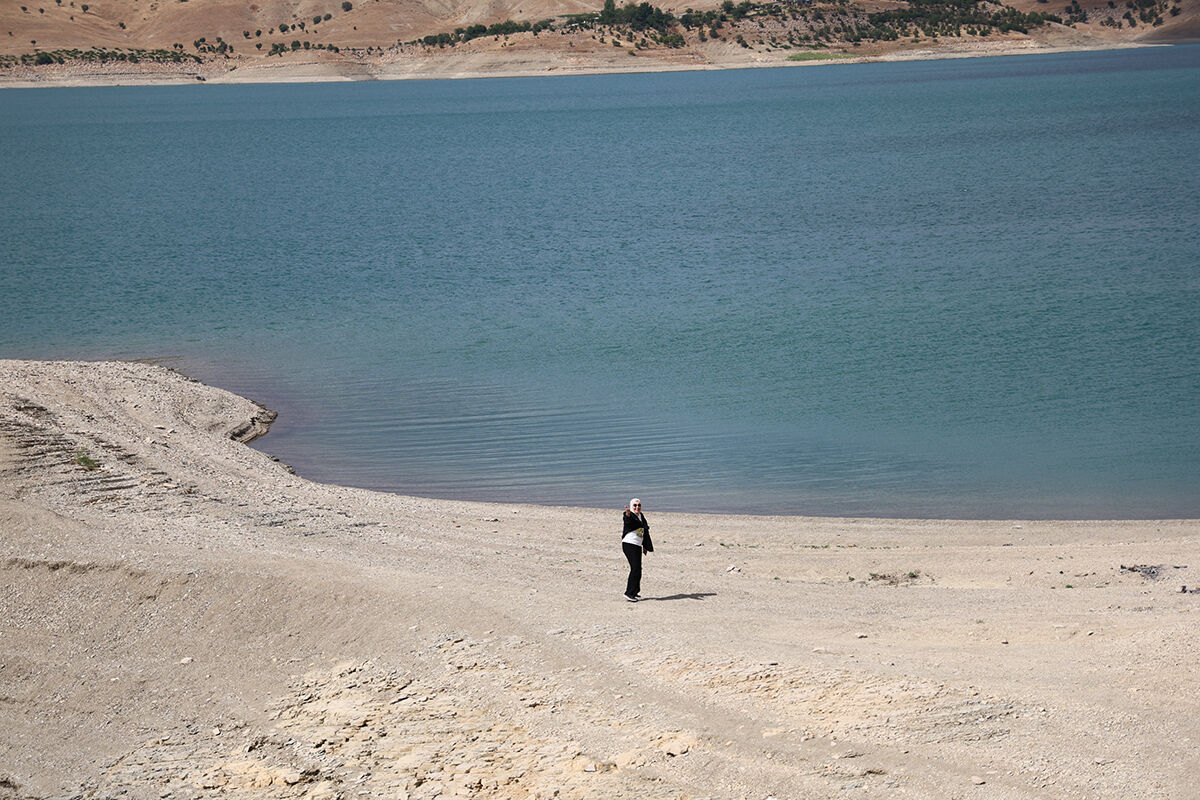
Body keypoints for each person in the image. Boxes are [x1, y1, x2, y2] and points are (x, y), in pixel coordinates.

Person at [621, 498, 653, 602]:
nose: (637, 507)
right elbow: (628, 521)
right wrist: (628, 514)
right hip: (629, 544)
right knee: (635, 569)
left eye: (639, 505)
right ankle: (629, 593)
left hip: (637, 545)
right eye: (635, 505)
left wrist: (646, 546)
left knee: (638, 569)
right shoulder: (629, 515)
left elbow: (644, 531)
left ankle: (634, 591)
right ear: (631, 506)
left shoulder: (641, 516)